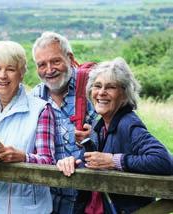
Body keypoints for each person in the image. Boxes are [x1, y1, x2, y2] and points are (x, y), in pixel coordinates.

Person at [57, 57, 173, 213]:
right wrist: (73, 162)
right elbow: (92, 163)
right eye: (97, 86)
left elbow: (164, 161)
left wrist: (113, 161)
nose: (101, 92)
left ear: (124, 94)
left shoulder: (128, 124)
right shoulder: (99, 126)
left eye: (110, 87)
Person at [0, 41, 55, 213]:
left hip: (26, 209)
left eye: (11, 69)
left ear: (21, 73)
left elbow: (49, 162)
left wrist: (23, 157)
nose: (2, 75)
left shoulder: (40, 110)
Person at [31, 32, 97, 214]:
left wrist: (94, 136)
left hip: (88, 201)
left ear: (70, 58)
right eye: (42, 64)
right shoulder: (35, 97)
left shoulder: (94, 89)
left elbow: (119, 134)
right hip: (48, 202)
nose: (49, 69)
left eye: (55, 61)